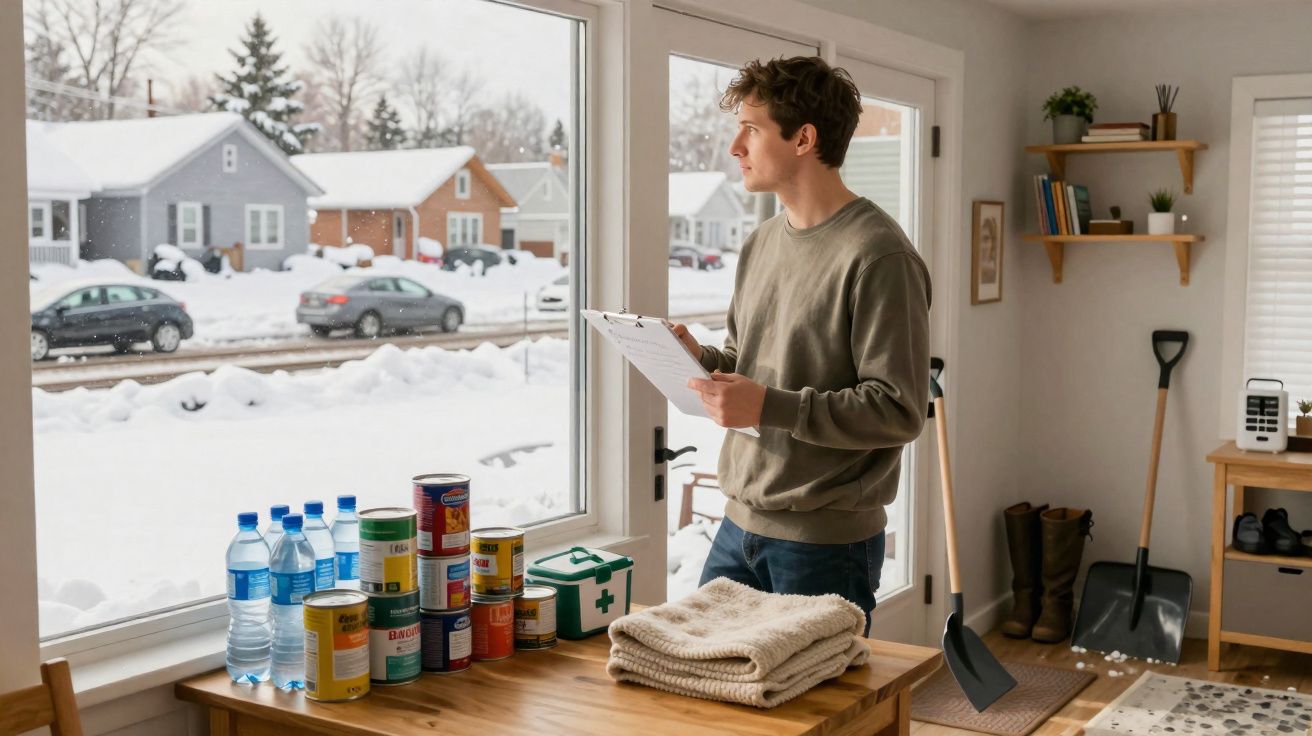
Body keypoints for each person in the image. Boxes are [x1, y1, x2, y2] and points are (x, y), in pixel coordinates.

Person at [670, 56, 931, 636]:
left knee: (823, 722)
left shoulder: (879, 255)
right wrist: (695, 357)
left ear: (804, 139)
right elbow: (751, 364)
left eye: (753, 128)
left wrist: (769, 407)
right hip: (737, 527)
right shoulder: (761, 242)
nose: (735, 146)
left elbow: (898, 408)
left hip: (823, 545)